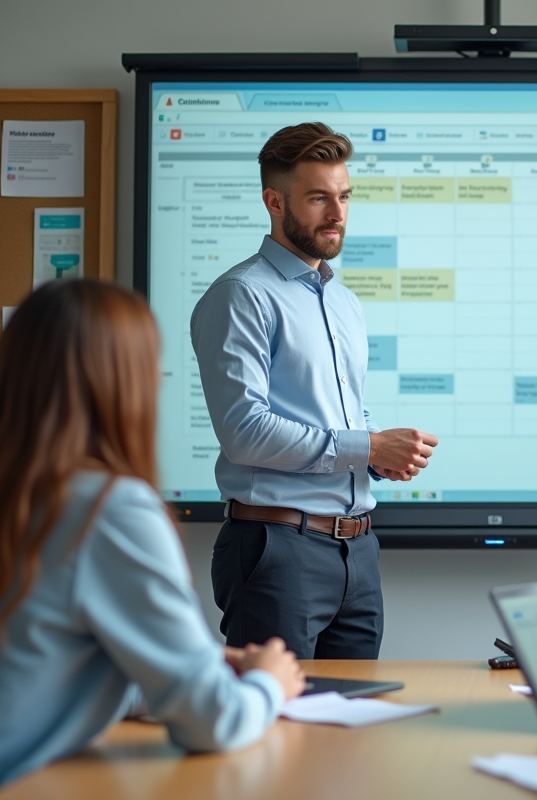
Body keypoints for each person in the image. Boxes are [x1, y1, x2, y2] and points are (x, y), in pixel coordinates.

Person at [0, 281, 305, 800]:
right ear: (124, 385)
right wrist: (269, 683)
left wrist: (181, 664)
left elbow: (37, 668)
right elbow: (214, 723)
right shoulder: (109, 509)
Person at [192, 123, 438, 660]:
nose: (337, 213)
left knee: (351, 730)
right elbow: (244, 432)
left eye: (344, 196)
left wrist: (378, 459)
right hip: (276, 550)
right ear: (274, 202)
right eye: (319, 198)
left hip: (358, 551)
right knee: (276, 729)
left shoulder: (345, 302)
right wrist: (368, 447)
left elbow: (345, 411)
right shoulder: (242, 296)